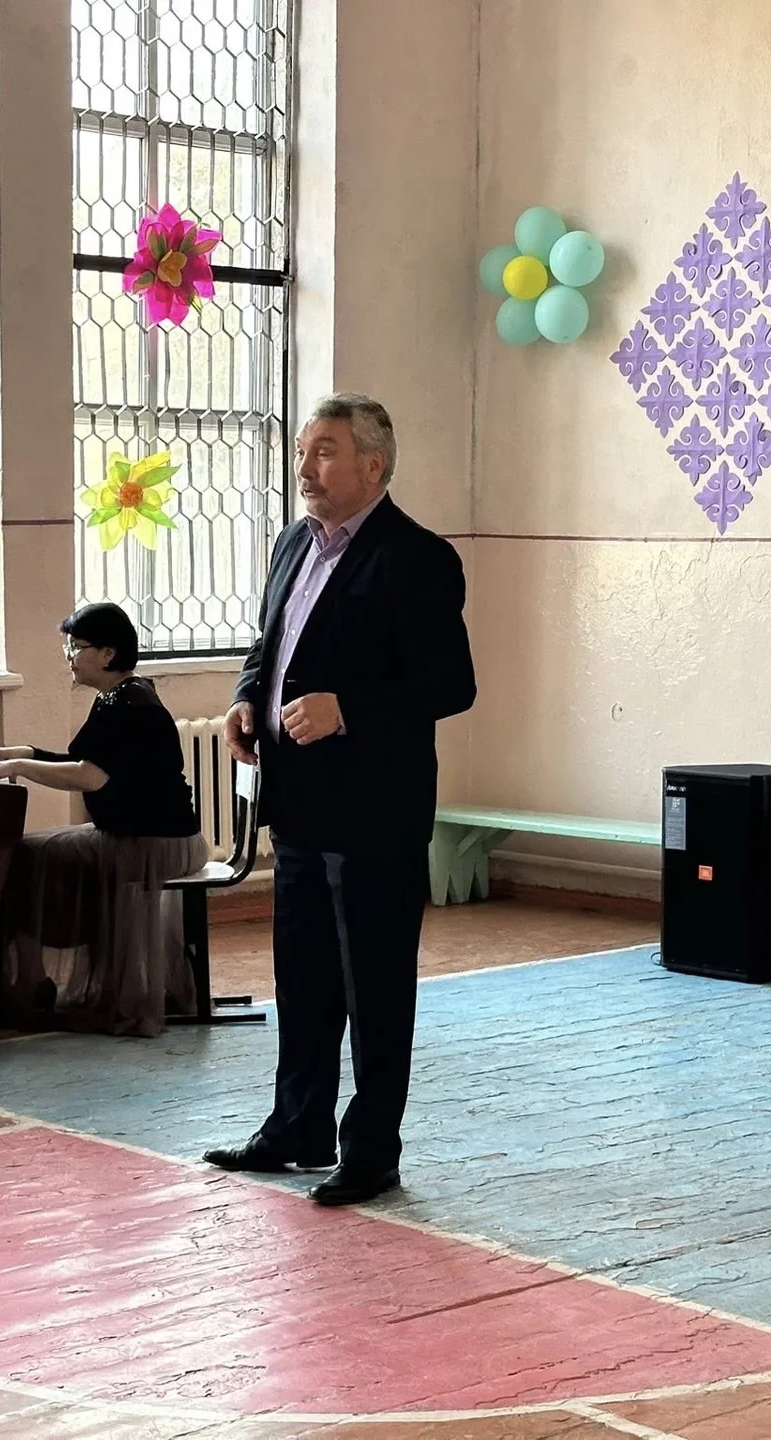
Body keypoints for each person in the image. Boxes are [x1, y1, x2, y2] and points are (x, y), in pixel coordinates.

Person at [201, 393, 475, 1206]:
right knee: (305, 979)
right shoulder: (293, 543)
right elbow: (271, 645)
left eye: (324, 452)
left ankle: (372, 1152)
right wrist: (246, 698)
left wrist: (346, 708)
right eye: (302, 451)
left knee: (375, 988)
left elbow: (450, 683)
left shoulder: (416, 557)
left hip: (375, 814)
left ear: (373, 466)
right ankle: (297, 1128)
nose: (305, 467)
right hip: (297, 804)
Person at [0, 602, 209, 1036]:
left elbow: (89, 776)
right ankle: (29, 980)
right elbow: (91, 762)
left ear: (107, 653)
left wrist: (21, 768)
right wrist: (27, 753)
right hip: (139, 834)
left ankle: (29, 983)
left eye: (76, 647)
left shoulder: (129, 705)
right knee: (26, 852)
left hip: (154, 842)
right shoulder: (117, 696)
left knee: (21, 855)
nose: (69, 656)